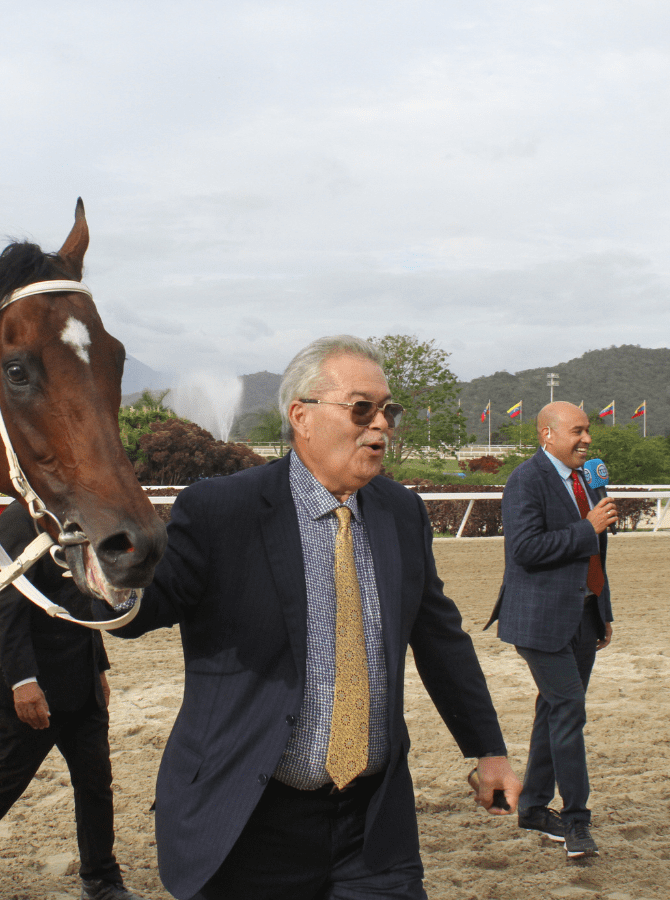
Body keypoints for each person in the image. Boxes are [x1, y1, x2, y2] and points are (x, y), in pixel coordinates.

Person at [110, 335, 521, 900]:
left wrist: (488, 749)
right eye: (361, 409)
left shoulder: (401, 512)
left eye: (388, 410)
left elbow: (439, 638)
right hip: (249, 820)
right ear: (301, 416)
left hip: (374, 825)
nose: (381, 426)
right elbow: (142, 611)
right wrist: (107, 567)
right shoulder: (220, 510)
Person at [0, 501, 144, 900]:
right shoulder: (19, 520)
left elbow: (82, 596)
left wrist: (98, 667)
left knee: (95, 783)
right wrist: (23, 682)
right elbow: (7, 607)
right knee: (3, 782)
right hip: (32, 684)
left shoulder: (76, 515)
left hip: (81, 678)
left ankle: (102, 880)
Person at [486, 400, 616, 858]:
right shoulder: (526, 479)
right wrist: (587, 527)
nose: (587, 439)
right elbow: (525, 549)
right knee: (568, 710)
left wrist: (603, 611)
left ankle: (535, 807)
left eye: (587, 431)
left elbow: (595, 551)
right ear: (547, 434)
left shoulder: (587, 478)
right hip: (538, 620)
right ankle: (577, 822)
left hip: (583, 616)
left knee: (553, 711)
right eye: (578, 431)